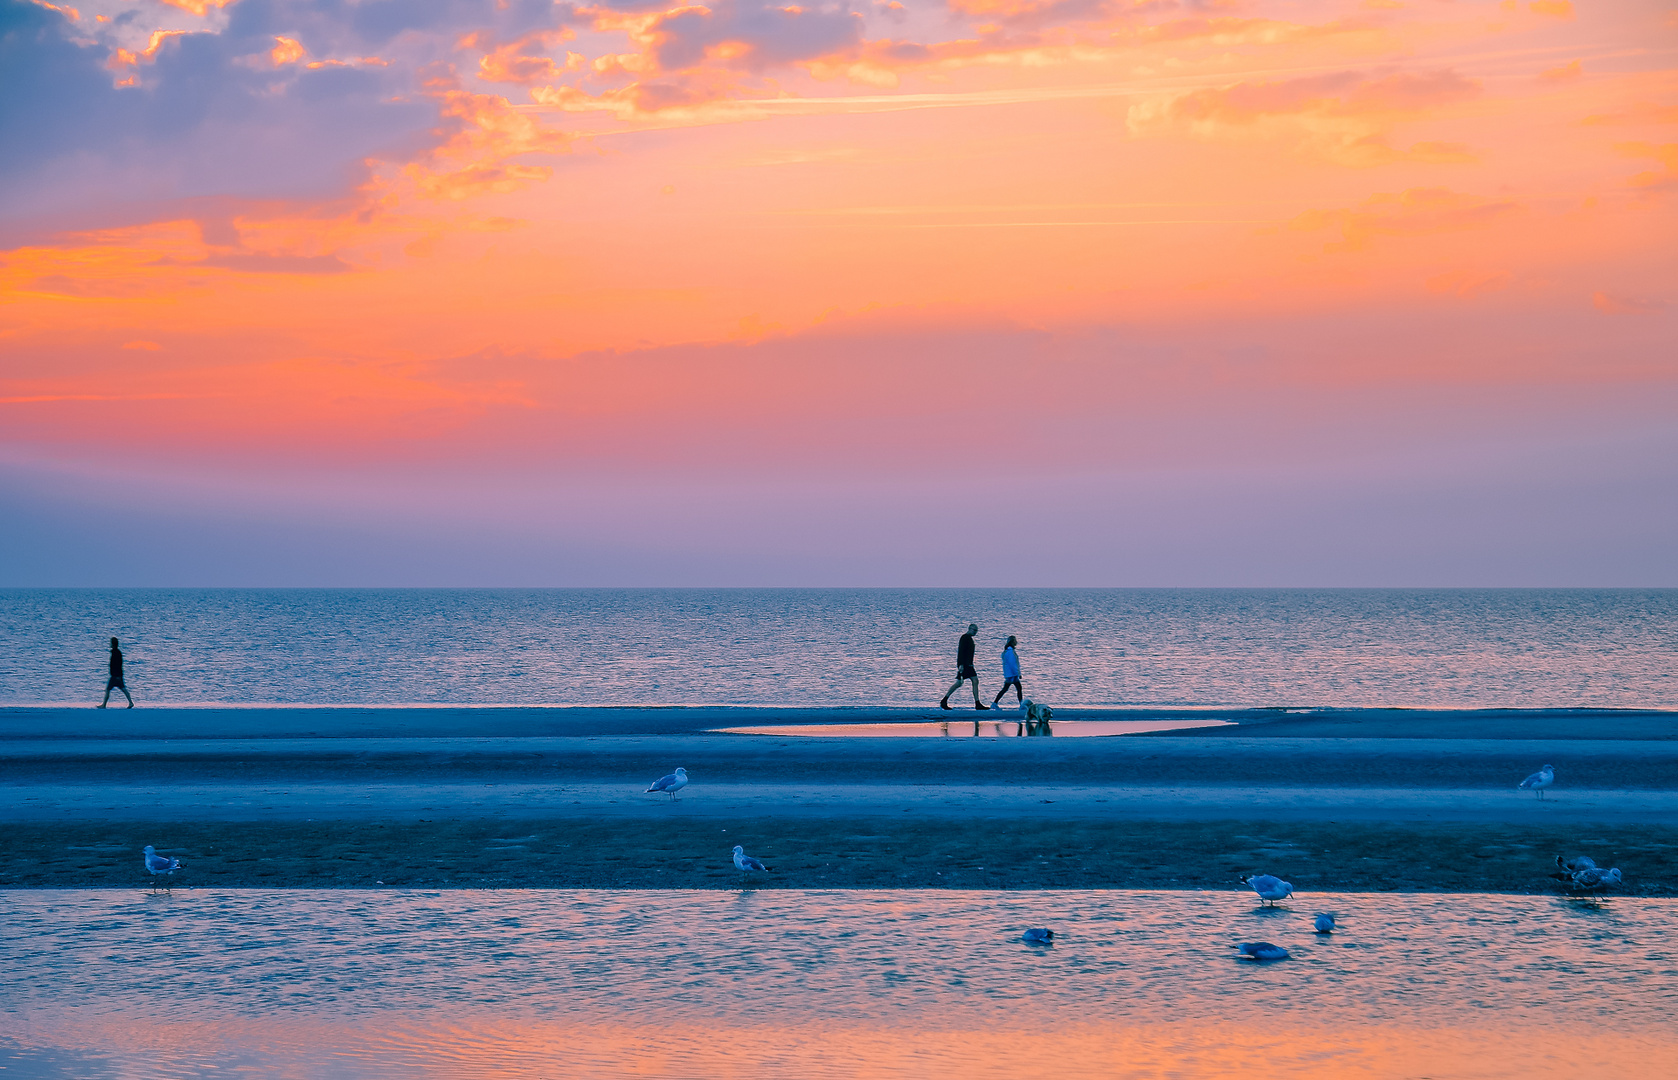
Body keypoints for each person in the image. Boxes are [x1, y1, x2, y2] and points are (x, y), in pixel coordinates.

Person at [939, 623, 988, 711]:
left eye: (976, 631)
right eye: (974, 630)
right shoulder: (964, 638)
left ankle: (977, 703)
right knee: (961, 683)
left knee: (973, 681)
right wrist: (960, 665)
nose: (975, 632)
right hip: (965, 665)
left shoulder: (969, 639)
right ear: (969, 629)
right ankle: (944, 700)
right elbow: (961, 651)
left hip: (969, 664)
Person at [98, 637, 134, 709]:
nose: (109, 644)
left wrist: (116, 674)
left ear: (113, 644)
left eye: (110, 643)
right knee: (123, 689)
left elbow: (116, 665)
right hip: (118, 675)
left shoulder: (115, 653)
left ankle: (104, 705)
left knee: (108, 689)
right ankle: (130, 702)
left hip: (115, 675)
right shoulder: (118, 652)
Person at [993, 635, 1023, 707]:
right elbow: (1012, 664)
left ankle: (995, 703)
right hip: (1012, 674)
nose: (1016, 642)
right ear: (1012, 642)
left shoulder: (1008, 651)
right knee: (1017, 688)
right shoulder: (1010, 652)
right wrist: (1018, 673)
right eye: (1015, 641)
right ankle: (1021, 705)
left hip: (1010, 674)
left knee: (1007, 689)